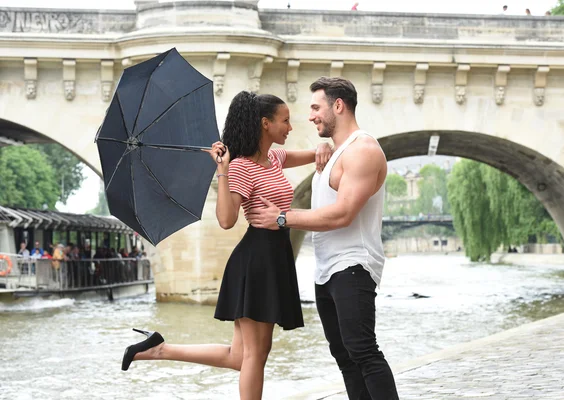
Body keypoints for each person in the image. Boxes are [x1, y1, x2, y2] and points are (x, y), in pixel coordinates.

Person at [121, 91, 332, 400]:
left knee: (240, 356)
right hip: (258, 261)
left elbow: (316, 153)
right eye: (285, 121)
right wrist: (223, 168)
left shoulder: (275, 158)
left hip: (272, 258)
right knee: (255, 357)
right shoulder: (242, 167)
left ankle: (158, 349)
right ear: (265, 124)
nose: (290, 127)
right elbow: (225, 219)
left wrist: (325, 146)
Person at [248, 77, 399, 399]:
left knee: (363, 351)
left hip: (353, 264)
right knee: (344, 357)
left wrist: (283, 217)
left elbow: (344, 213)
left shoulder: (364, 149)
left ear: (339, 106)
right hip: (326, 269)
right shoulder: (334, 153)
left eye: (316, 107)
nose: (311, 115)